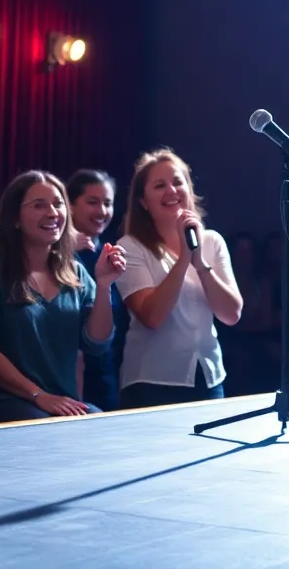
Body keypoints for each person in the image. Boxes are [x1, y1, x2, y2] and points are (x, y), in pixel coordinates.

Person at [0, 171, 123, 423]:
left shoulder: (75, 271)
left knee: (99, 423)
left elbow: (97, 343)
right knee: (43, 426)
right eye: (39, 205)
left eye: (58, 204)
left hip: (59, 402)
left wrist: (104, 286)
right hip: (1, 401)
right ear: (15, 218)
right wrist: (38, 395)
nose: (52, 213)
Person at [117, 148, 243, 409]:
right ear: (143, 202)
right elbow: (152, 317)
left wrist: (200, 262)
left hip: (208, 378)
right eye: (159, 186)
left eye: (178, 182)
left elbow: (231, 314)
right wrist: (184, 258)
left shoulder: (212, 242)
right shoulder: (130, 247)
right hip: (151, 383)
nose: (171, 191)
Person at [65, 168, 128, 411]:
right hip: (66, 378)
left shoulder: (111, 254)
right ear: (70, 205)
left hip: (107, 374)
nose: (102, 211)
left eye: (107, 203)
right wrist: (63, 246)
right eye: (92, 202)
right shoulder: (51, 255)